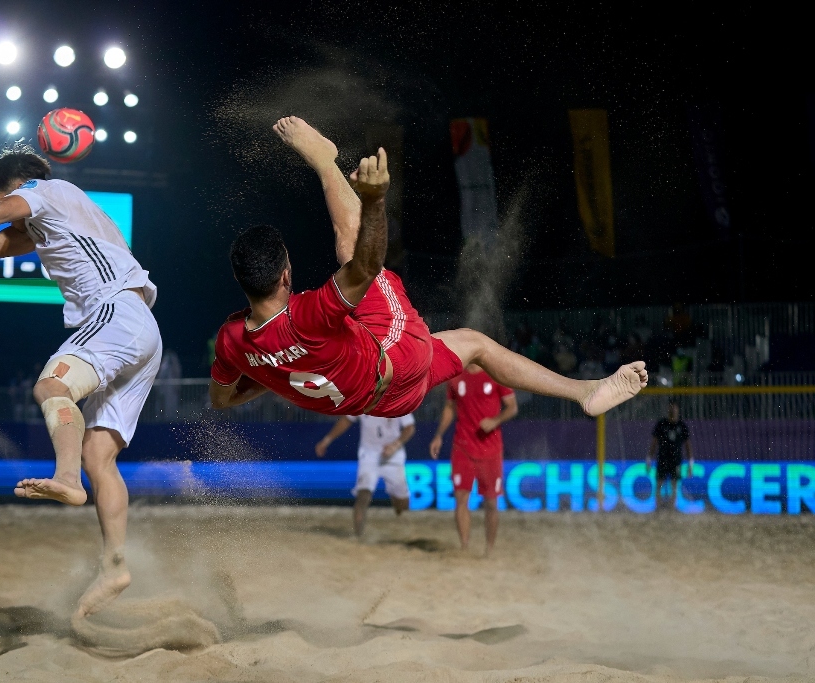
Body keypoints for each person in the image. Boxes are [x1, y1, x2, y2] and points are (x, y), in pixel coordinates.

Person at [208, 117, 648, 422]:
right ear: (286, 274)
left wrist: (271, 372)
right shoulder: (308, 314)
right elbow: (366, 263)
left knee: (473, 344)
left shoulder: (231, 342)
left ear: (240, 282)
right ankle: (325, 161)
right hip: (400, 359)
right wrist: (375, 201)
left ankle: (586, 391)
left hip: (384, 405)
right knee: (352, 252)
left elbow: (222, 400)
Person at [0, 143, 162, 619]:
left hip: (116, 314)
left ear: (17, 187)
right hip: (140, 330)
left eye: (1, 197)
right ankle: (115, 566)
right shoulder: (58, 217)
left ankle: (66, 479)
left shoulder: (48, 190)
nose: (3, 210)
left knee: (51, 387)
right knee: (99, 457)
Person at [429, 363, 517, 554]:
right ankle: (464, 547)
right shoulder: (455, 377)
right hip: (462, 446)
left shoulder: (496, 373)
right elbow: (450, 408)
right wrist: (438, 435)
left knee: (491, 502)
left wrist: (495, 420)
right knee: (461, 498)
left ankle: (489, 549)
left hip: (490, 449)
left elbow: (512, 407)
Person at [315, 413, 416, 537]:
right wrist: (327, 440)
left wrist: (395, 445)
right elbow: (346, 420)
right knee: (363, 494)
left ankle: (403, 529)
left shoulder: (397, 402)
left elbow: (410, 427)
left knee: (401, 501)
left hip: (393, 457)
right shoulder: (361, 402)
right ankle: (358, 537)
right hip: (369, 455)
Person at [647, 400, 694, 509]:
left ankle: (671, 508)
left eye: (674, 408)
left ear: (678, 410)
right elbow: (654, 443)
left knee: (674, 486)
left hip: (676, 460)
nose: (672, 410)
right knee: (659, 485)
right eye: (670, 407)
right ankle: (658, 508)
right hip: (662, 459)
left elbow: (688, 446)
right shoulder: (661, 424)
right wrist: (648, 459)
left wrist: (690, 464)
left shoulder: (682, 426)